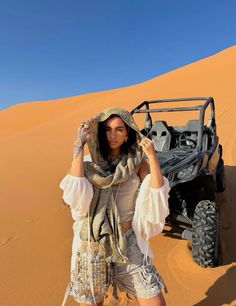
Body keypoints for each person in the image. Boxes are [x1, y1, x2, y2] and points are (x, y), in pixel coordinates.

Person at [60, 107, 170, 306]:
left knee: (155, 300)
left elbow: (157, 192)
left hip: (127, 242)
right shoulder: (87, 163)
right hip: (92, 244)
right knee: (93, 302)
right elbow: (75, 196)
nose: (113, 135)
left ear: (128, 132)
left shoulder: (137, 163)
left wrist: (152, 158)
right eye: (108, 130)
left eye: (119, 129)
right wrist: (78, 147)